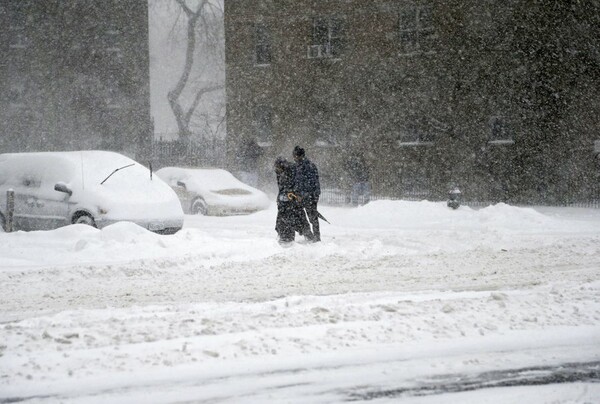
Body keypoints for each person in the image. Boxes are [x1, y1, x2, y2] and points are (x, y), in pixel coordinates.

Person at [274, 157, 311, 244]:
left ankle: (293, 237)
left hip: (293, 202)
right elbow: (281, 187)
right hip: (284, 202)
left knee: (297, 218)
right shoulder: (280, 173)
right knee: (283, 220)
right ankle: (285, 237)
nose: (276, 169)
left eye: (278, 167)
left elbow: (297, 183)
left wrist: (294, 193)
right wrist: (280, 197)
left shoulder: (292, 170)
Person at [292, 146, 321, 242]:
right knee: (302, 216)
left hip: (309, 197)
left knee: (311, 217)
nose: (293, 157)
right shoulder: (299, 166)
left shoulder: (306, 166)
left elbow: (309, 183)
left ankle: (314, 237)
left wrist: (303, 195)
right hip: (305, 196)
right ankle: (310, 235)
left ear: (299, 156)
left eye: (295, 155)